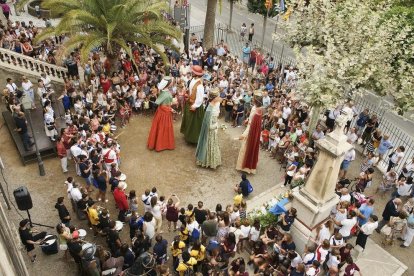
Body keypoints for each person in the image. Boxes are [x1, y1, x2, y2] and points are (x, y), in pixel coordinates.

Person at [236, 91, 263, 174]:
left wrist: (244, 134)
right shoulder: (257, 108)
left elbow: (253, 124)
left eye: (253, 98)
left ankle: (245, 166)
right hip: (250, 126)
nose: (252, 99)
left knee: (245, 147)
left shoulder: (257, 110)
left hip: (251, 130)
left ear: (255, 100)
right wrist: (248, 119)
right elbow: (252, 119)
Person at [195, 87, 222, 169]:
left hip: (214, 130)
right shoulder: (210, 110)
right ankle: (207, 161)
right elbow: (209, 126)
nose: (219, 98)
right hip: (210, 133)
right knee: (209, 145)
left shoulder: (215, 104)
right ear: (214, 98)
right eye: (218, 96)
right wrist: (217, 125)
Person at [147, 77, 175, 151]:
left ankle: (156, 143)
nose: (172, 82)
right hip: (164, 114)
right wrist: (171, 109)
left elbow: (159, 103)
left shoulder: (163, 91)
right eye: (171, 81)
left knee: (159, 128)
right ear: (168, 84)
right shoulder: (166, 94)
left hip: (161, 113)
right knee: (163, 128)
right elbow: (161, 105)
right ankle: (161, 145)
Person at [180, 65, 205, 144]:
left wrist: (195, 106)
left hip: (195, 106)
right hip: (189, 102)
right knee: (188, 120)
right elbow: (191, 90)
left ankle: (194, 139)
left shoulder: (200, 85)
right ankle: (187, 135)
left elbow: (200, 98)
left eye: (193, 72)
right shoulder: (192, 80)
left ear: (196, 74)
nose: (191, 72)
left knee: (194, 124)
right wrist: (188, 94)